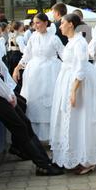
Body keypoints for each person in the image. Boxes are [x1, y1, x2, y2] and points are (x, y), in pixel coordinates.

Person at [0, 17, 63, 176]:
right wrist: (9, 95)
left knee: (25, 123)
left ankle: (44, 162)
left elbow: (2, 73)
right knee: (20, 127)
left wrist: (11, 92)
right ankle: (42, 164)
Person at [49, 14, 96, 174]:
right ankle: (73, 155)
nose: (59, 26)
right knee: (73, 120)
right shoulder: (72, 42)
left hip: (81, 85)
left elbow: (81, 67)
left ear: (70, 24)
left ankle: (88, 159)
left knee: (84, 119)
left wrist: (73, 90)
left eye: (62, 23)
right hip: (70, 80)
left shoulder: (80, 42)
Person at [13, 13, 63, 142]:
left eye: (38, 23)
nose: (35, 26)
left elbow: (63, 54)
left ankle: (53, 135)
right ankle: (35, 136)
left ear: (46, 23)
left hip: (51, 72)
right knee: (34, 101)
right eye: (34, 23)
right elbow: (27, 54)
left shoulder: (54, 38)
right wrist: (18, 67)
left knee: (50, 100)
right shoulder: (33, 38)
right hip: (34, 72)